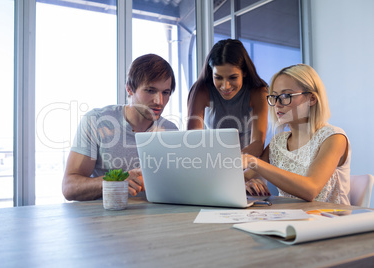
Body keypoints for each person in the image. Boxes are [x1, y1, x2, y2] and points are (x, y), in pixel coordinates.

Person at [62, 54, 178, 201]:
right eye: (150, 90)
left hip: (154, 217)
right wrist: (116, 182)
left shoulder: (170, 131)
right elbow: (69, 188)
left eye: (165, 93)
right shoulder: (97, 121)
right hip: (104, 218)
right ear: (130, 89)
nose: (159, 101)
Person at [242, 64, 351, 205]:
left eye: (285, 96)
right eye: (274, 97)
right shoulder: (277, 142)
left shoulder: (334, 138)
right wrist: (246, 185)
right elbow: (243, 178)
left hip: (331, 222)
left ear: (312, 99)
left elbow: (311, 189)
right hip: (291, 219)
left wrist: (253, 162)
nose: (277, 104)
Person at [187, 39, 268, 157]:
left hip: (249, 161)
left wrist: (230, 163)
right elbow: (194, 138)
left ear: (244, 72)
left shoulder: (258, 91)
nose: (225, 86)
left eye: (233, 77)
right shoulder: (201, 90)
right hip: (212, 159)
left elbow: (258, 143)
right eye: (218, 78)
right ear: (211, 73)